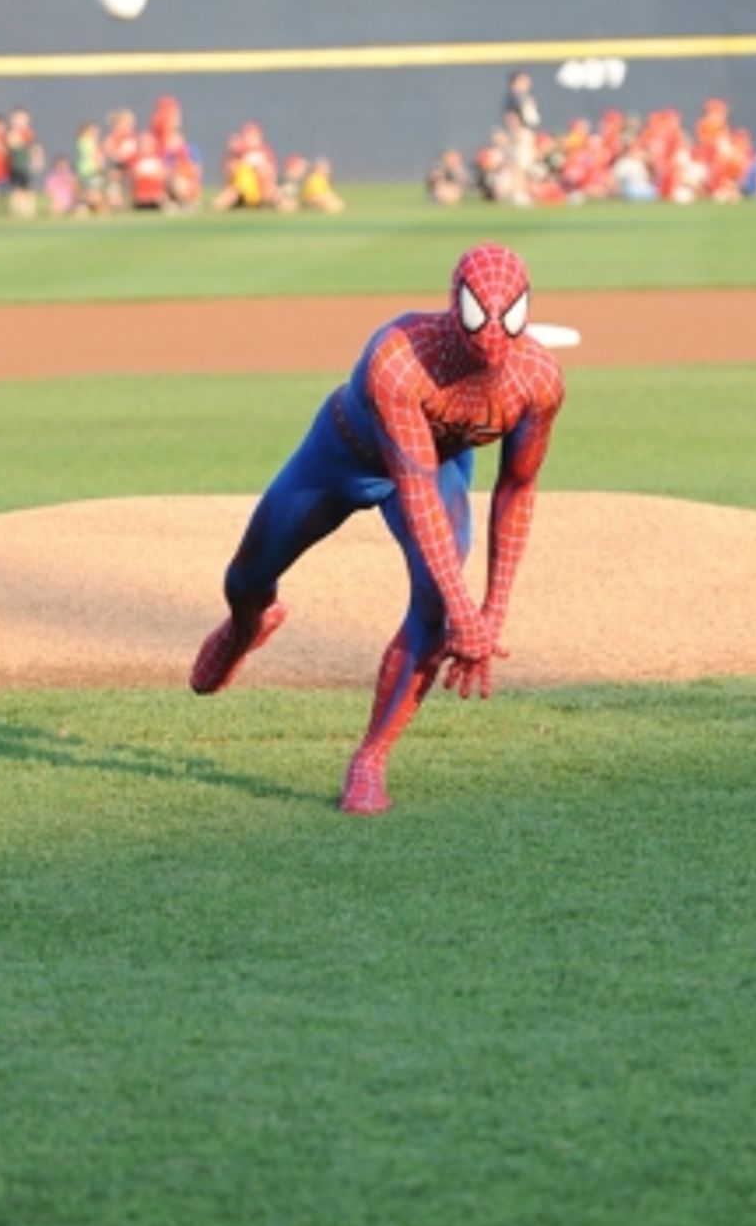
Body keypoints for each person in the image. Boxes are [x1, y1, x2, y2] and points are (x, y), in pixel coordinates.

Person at [190, 244, 565, 815]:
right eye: (476, 317)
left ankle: (371, 760)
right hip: (342, 457)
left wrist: (490, 612)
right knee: (246, 578)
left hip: (437, 469)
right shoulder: (399, 356)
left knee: (436, 608)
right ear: (454, 306)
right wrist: (467, 610)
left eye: (507, 320)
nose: (491, 337)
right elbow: (411, 486)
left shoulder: (537, 382)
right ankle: (248, 625)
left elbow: (517, 486)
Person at [5, 106, 43, 218]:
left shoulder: (28, 132)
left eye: (22, 119)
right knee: (16, 189)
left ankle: (29, 211)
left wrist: (37, 159)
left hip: (25, 165)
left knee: (27, 188)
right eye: (17, 119)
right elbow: (11, 144)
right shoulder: (11, 132)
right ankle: (17, 210)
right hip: (14, 165)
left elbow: (34, 147)